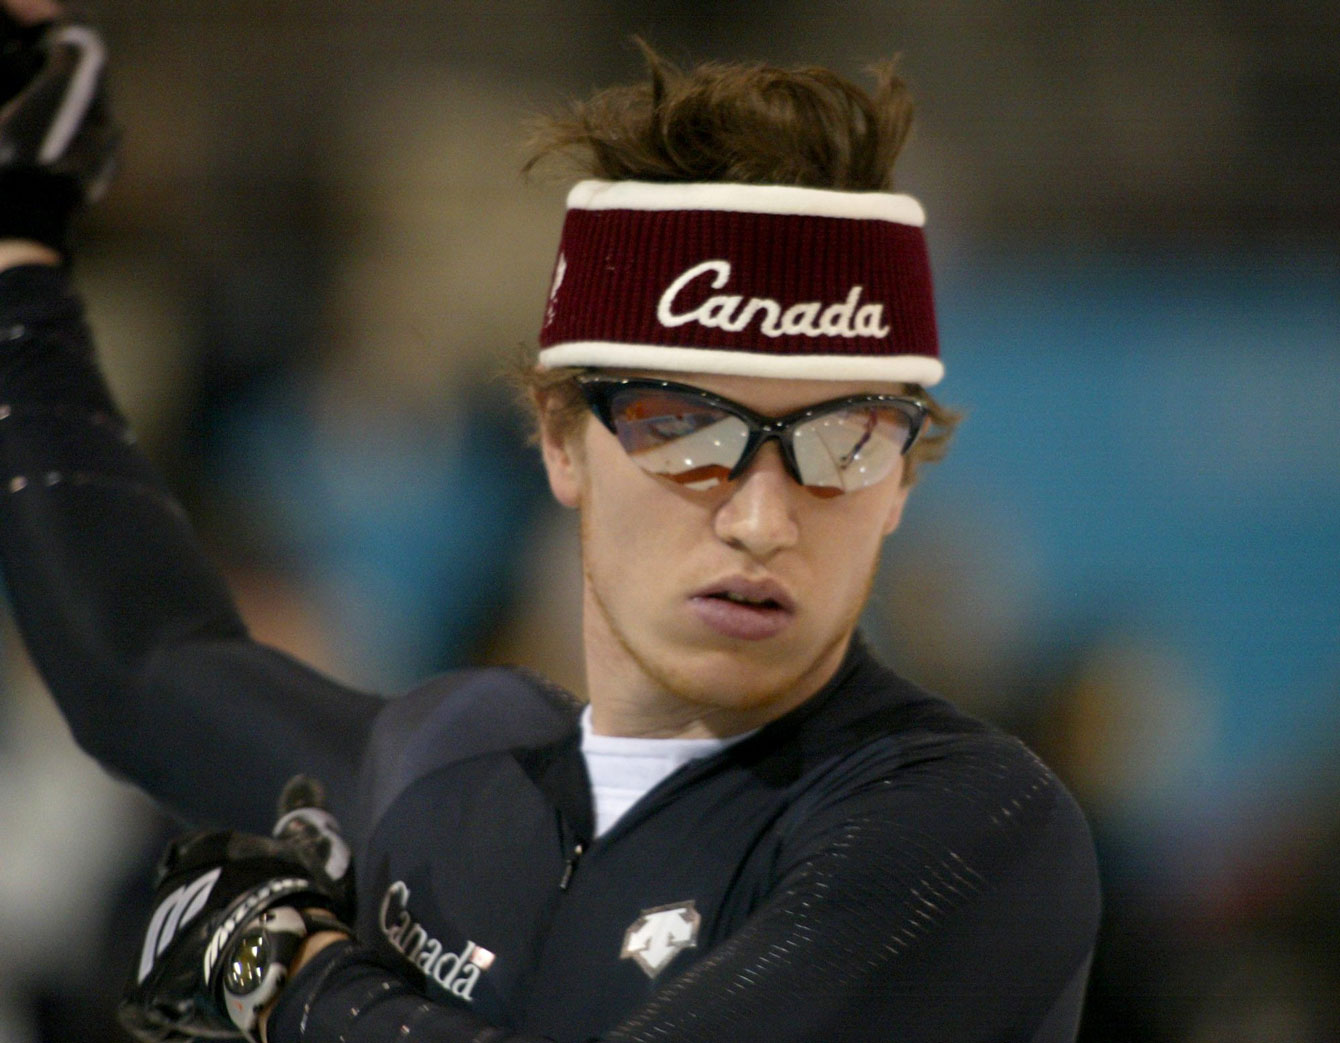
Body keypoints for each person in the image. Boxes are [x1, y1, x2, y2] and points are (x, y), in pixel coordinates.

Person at [0, 4, 1101, 1042]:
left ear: (902, 479)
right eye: (688, 429)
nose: (764, 518)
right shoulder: (457, 766)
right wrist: (21, 250)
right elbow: (143, 667)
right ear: (560, 438)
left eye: (842, 441)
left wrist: (291, 982)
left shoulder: (968, 828)